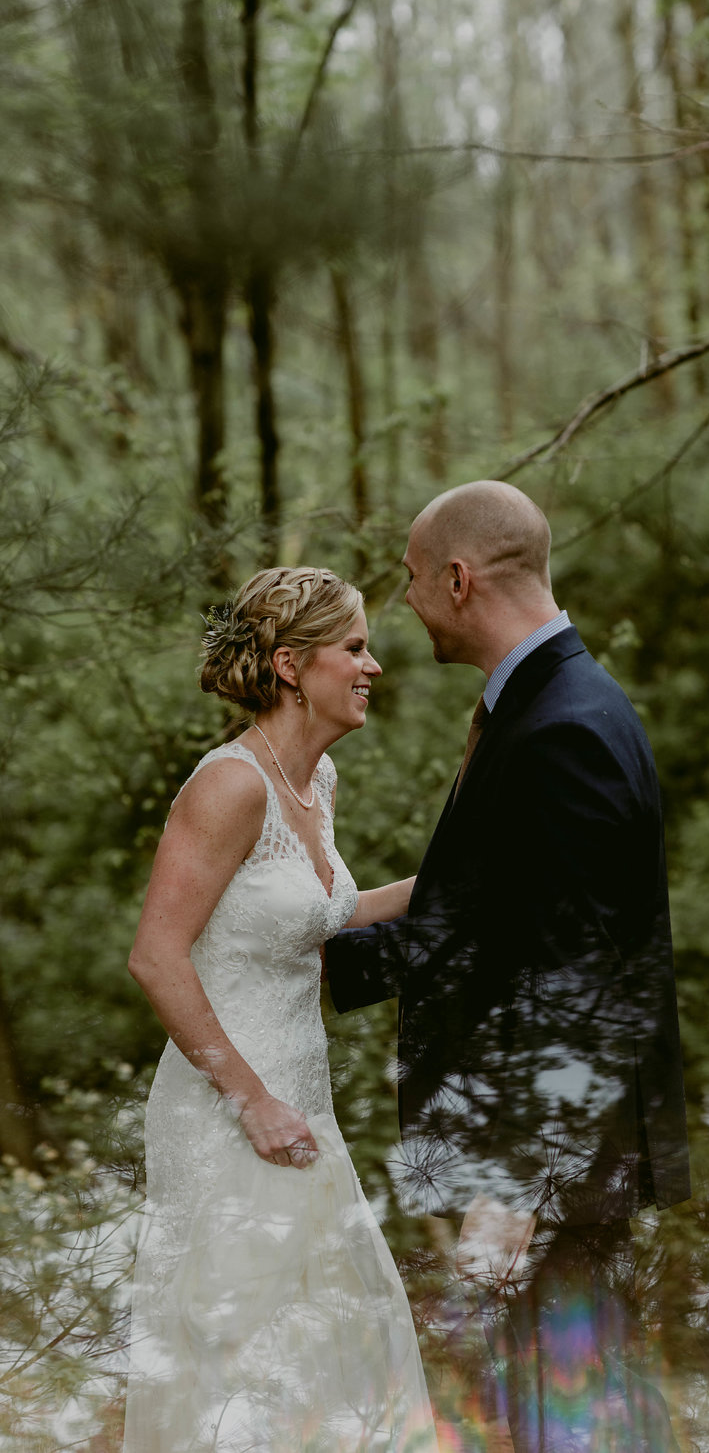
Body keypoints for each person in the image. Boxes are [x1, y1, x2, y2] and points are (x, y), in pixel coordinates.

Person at [324, 483, 689, 1452]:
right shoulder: (537, 705)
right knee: (559, 1412)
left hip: (555, 1167)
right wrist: (324, 948)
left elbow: (579, 977)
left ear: (457, 578)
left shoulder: (564, 727)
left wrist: (516, 1183)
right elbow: (495, 920)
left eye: (409, 580)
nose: (403, 603)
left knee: (577, 1417)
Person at [125, 566, 438, 1453]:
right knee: (243, 1355)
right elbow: (156, 955)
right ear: (295, 666)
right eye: (356, 648)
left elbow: (327, 912)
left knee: (327, 1346)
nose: (373, 666)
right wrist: (251, 1101)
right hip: (230, 1112)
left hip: (305, 1110)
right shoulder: (230, 787)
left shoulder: (319, 779)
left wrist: (461, 880)